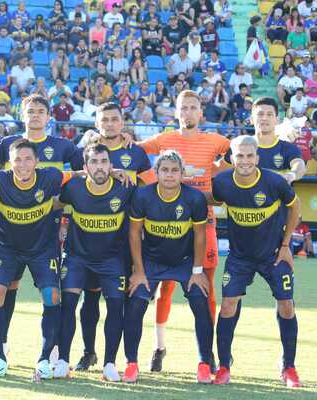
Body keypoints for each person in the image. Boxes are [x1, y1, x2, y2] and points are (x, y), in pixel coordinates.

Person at [136, 90, 230, 372]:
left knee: (205, 288)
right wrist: (152, 181)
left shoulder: (215, 141)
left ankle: (208, 353)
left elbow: (240, 153)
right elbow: (134, 151)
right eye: (183, 108)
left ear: (201, 113)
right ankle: (159, 346)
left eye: (193, 108)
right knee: (165, 289)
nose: (188, 112)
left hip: (204, 224)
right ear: (176, 112)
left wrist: (217, 172)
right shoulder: (164, 139)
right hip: (167, 225)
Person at [209, 135, 302, 388]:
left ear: (257, 158)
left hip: (273, 254)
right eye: (240, 155)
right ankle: (224, 366)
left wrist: (285, 246)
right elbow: (211, 199)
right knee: (227, 306)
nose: (245, 161)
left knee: (286, 306)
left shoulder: (274, 181)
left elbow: (296, 208)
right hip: (240, 257)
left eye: (250, 156)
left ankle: (289, 367)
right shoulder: (223, 182)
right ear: (232, 158)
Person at [0, 94, 79, 360]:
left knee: (51, 294)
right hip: (9, 235)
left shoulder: (62, 146)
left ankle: (50, 353)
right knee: (7, 288)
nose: (36, 116)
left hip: (45, 234)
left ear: (48, 116)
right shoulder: (5, 145)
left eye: (41, 111)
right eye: (31, 111)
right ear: (22, 115)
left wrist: (65, 220)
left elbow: (81, 180)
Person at [69, 103, 154, 372]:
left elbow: (151, 187)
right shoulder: (84, 150)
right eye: (104, 119)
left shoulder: (136, 152)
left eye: (114, 119)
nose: (109, 123)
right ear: (97, 122)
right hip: (90, 240)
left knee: (123, 302)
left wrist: (125, 174)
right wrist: (110, 172)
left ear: (122, 122)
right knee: (89, 299)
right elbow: (75, 180)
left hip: (124, 240)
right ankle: (88, 352)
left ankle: (126, 361)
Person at [0, 139, 66, 379]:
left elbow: (78, 176)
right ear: (9, 162)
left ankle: (45, 359)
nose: (23, 164)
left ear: (37, 161)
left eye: (28, 158)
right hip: (7, 248)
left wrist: (111, 171)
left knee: (52, 295)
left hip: (42, 250)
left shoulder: (51, 177)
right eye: (17, 159)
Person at [123, 150, 211, 383]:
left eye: (175, 170)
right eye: (165, 170)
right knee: (135, 303)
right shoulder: (143, 196)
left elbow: (200, 236)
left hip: (184, 262)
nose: (170, 175)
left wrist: (197, 271)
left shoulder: (194, 198)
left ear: (182, 174)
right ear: (156, 172)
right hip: (151, 263)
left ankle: (204, 363)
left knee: (200, 300)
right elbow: (134, 234)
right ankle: (131, 363)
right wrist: (139, 270)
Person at [53, 143, 134, 381]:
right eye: (94, 162)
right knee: (68, 304)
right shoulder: (74, 187)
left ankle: (109, 364)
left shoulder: (125, 187)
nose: (99, 167)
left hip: (111, 259)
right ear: (85, 166)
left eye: (104, 162)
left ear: (111, 165)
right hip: (78, 258)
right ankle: (63, 361)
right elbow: (55, 204)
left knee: (116, 307)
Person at [225, 97, 305, 184]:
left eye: (269, 114)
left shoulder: (288, 148)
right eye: (260, 114)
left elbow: (299, 165)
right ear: (251, 119)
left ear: (277, 120)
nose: (264, 118)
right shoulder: (239, 147)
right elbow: (220, 170)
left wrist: (291, 175)